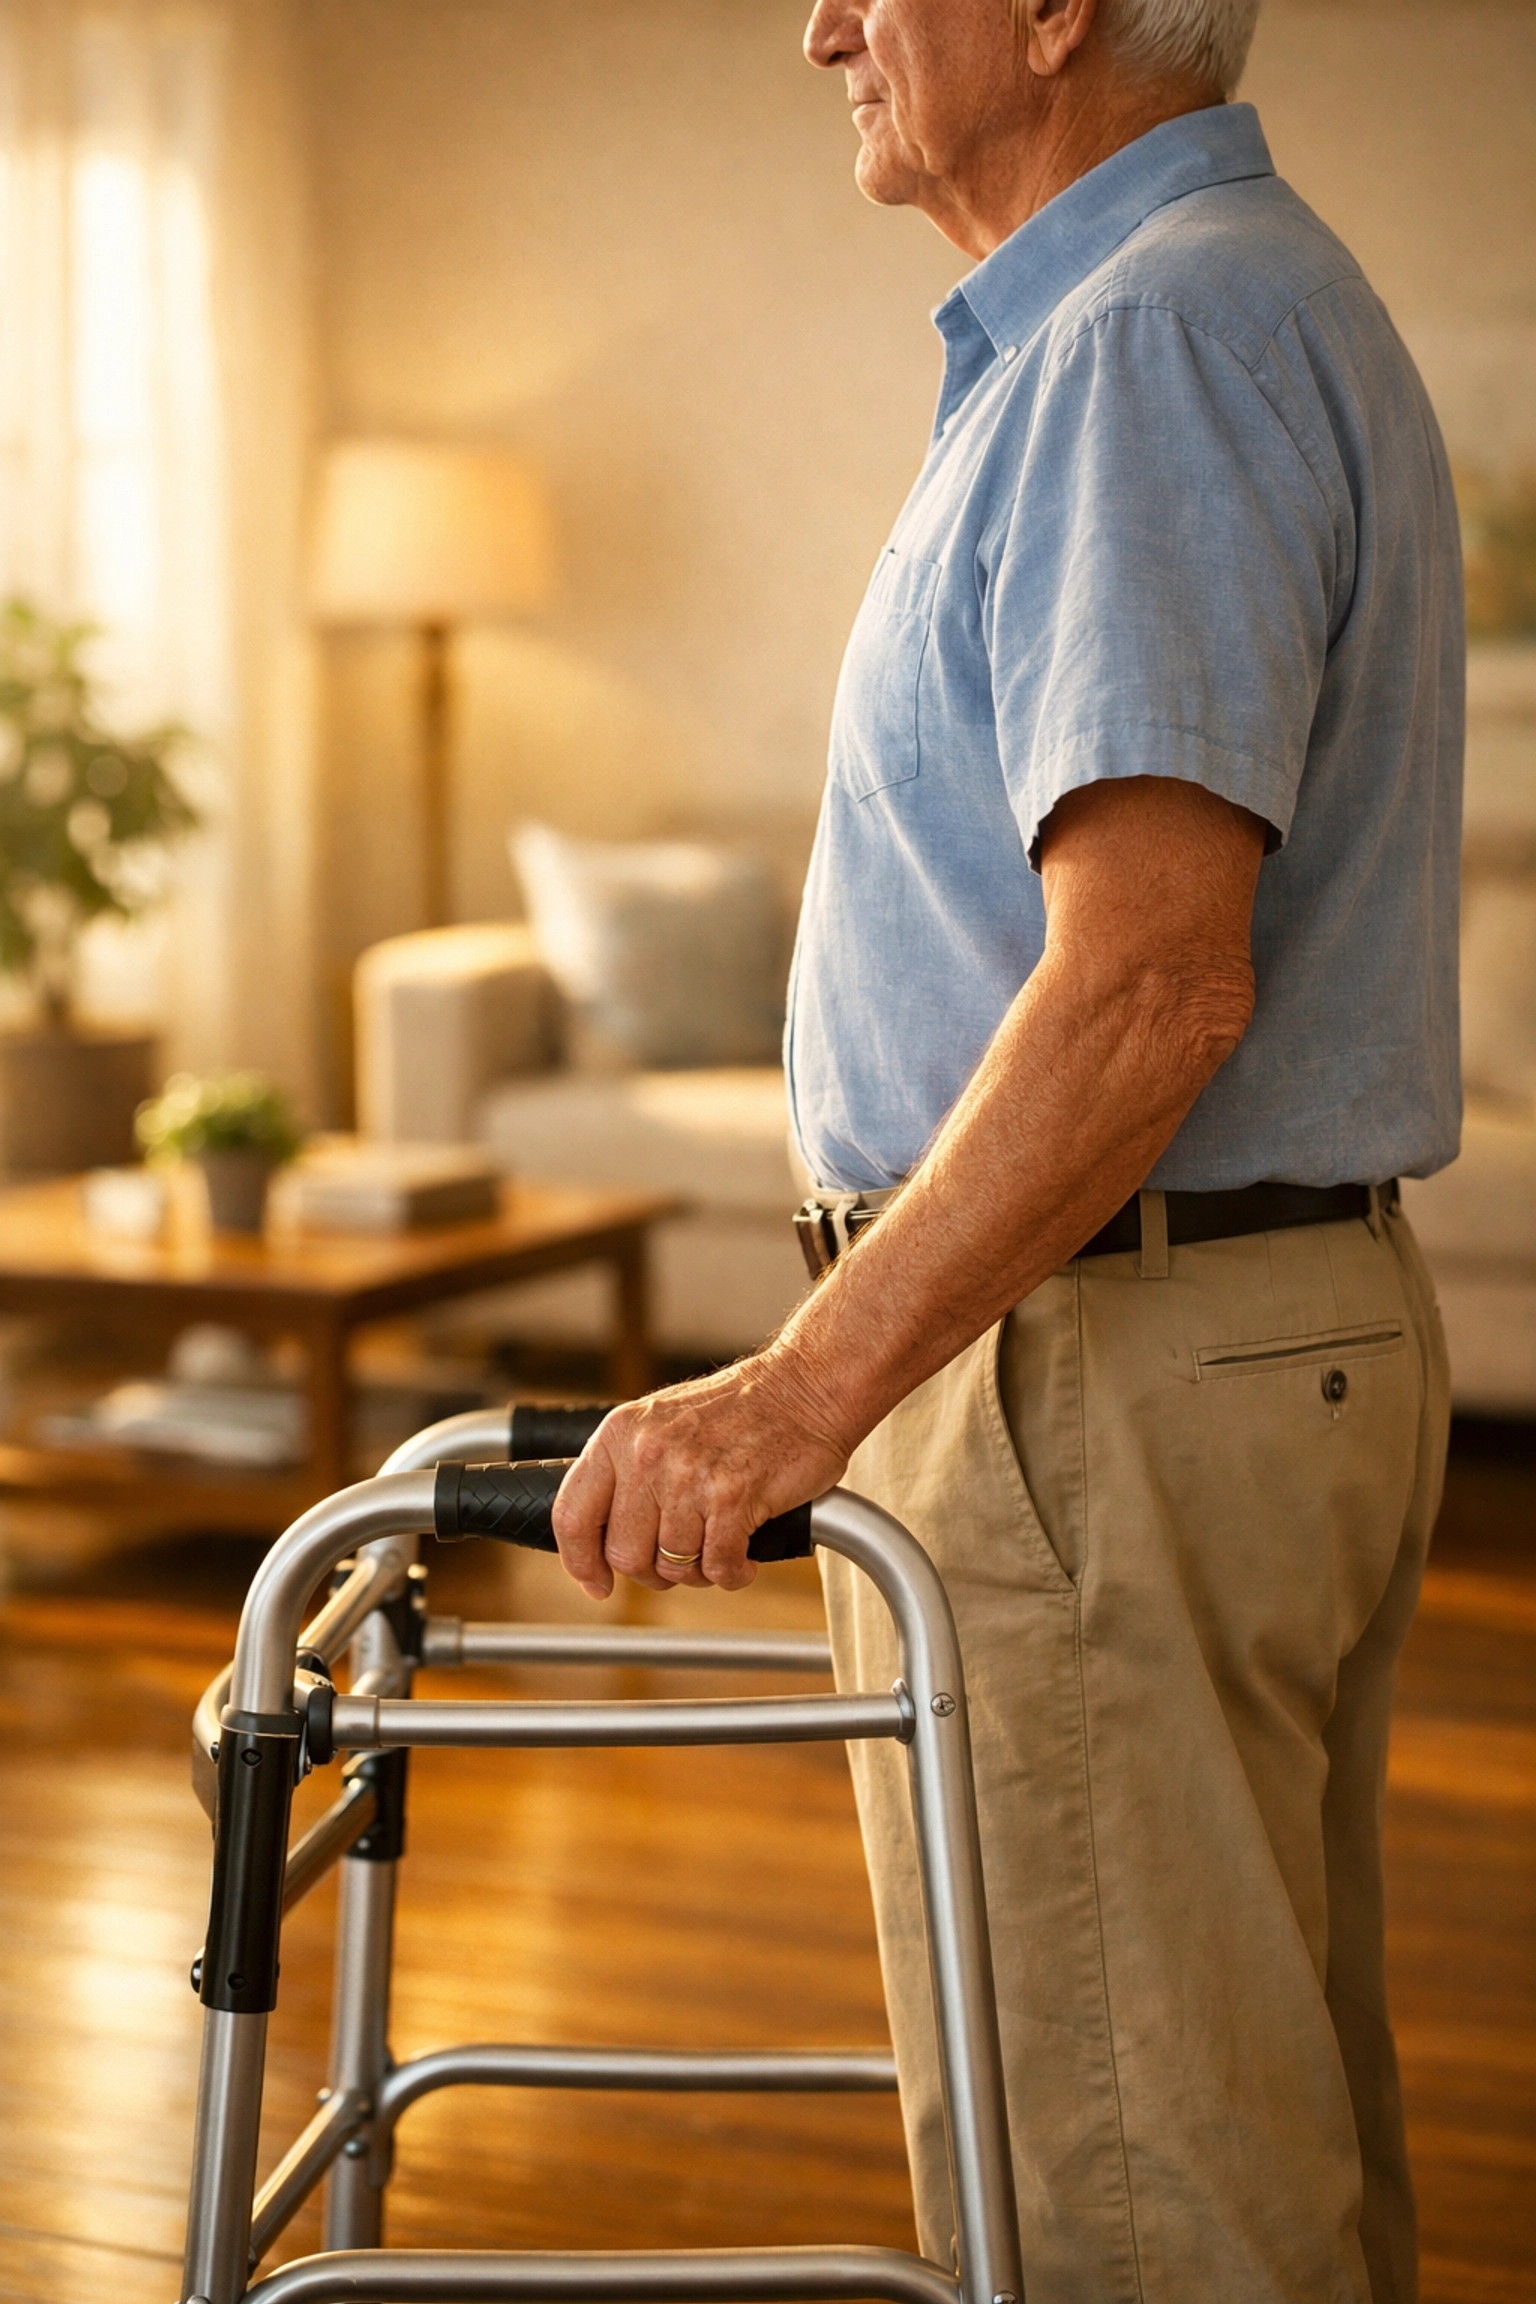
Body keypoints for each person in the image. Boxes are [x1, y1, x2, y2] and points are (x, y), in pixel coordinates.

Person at [552, 0, 1461, 2293]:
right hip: (1191, 1345)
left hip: (1102, 1374)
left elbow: (1152, 979)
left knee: (1135, 2198)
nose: (819, 28)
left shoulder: (1144, 344)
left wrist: (791, 1389)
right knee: (1242, 2140)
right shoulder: (1196, 310)